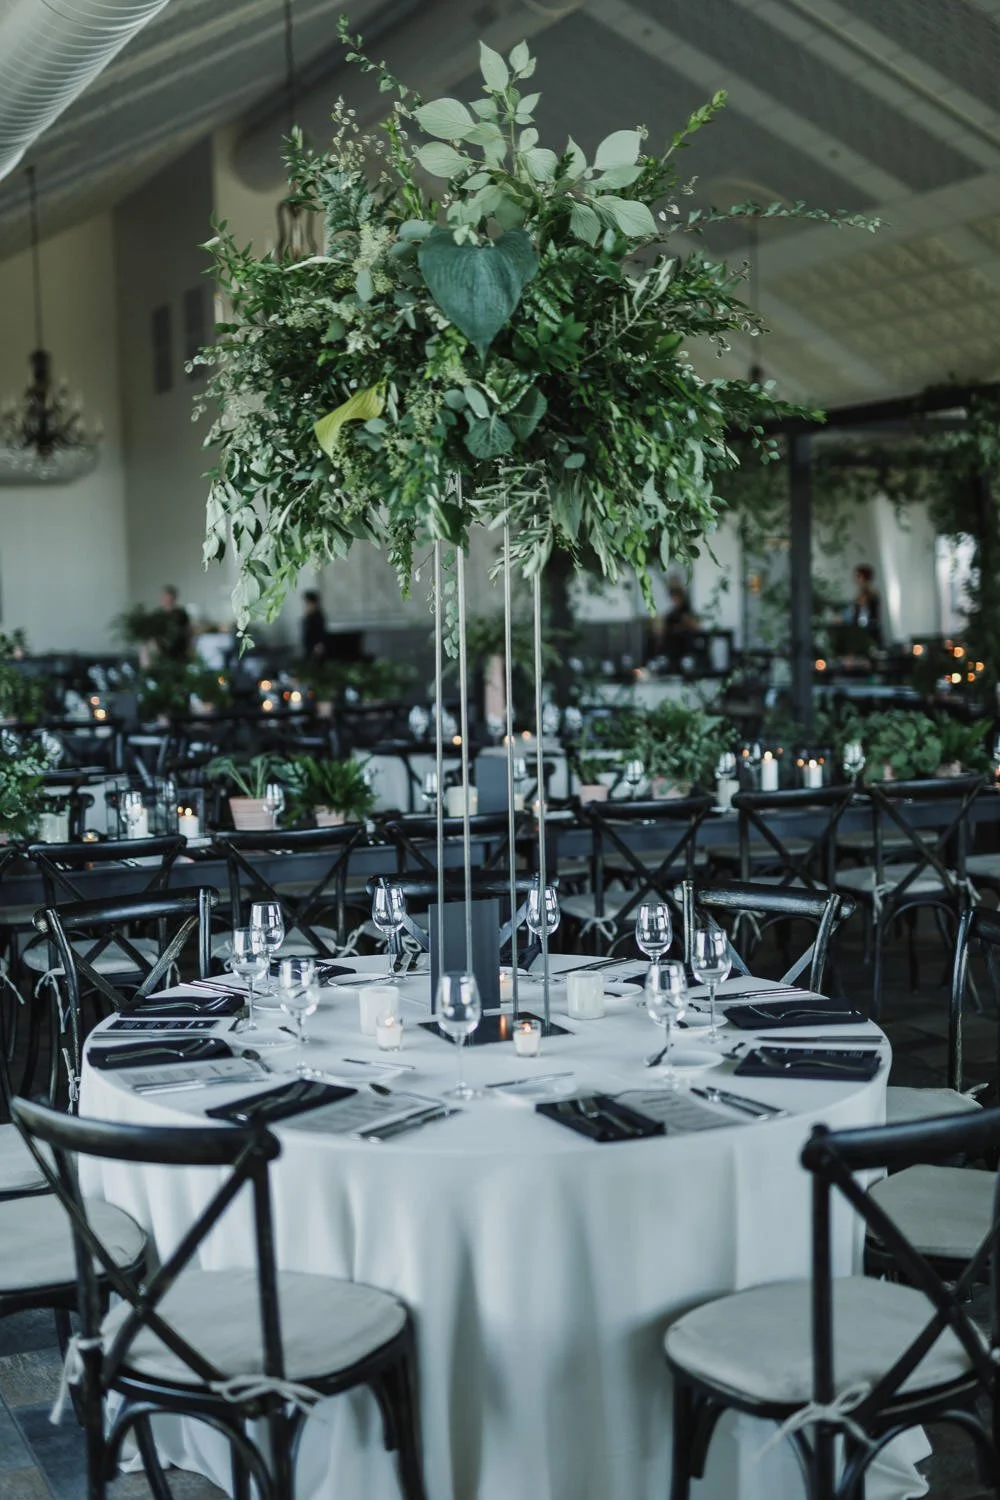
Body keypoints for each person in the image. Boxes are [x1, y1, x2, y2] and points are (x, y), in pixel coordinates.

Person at [850, 564, 882, 646]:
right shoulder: (858, 595)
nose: (856, 579)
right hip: (860, 629)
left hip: (870, 629)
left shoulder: (872, 593)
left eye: (859, 576)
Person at [158, 585, 191, 661]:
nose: (166, 600)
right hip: (163, 652)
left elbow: (187, 631)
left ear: (174, 598)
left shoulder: (181, 614)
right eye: (164, 597)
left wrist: (189, 649)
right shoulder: (159, 615)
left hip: (180, 651)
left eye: (168, 597)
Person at [301, 589, 328, 659]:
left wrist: (320, 645)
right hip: (309, 649)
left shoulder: (318, 617)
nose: (306, 606)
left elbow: (321, 632)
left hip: (316, 650)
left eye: (308, 603)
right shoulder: (307, 617)